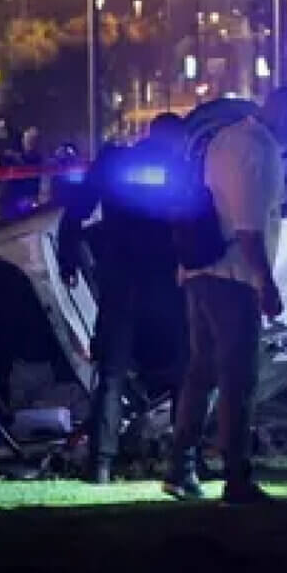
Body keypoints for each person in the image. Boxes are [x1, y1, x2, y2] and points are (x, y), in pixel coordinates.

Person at [167, 88, 287, 503]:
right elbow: (249, 230)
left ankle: (181, 467)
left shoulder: (226, 138)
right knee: (239, 380)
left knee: (202, 374)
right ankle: (237, 477)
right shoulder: (259, 151)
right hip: (233, 278)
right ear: (284, 115)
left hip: (199, 271)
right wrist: (266, 284)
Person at [58, 113, 190, 484]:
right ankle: (183, 461)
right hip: (166, 286)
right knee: (183, 372)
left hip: (120, 281)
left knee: (112, 375)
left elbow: (75, 213)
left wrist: (69, 259)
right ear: (178, 139)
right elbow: (198, 221)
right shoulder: (183, 168)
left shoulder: (115, 162)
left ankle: (100, 463)